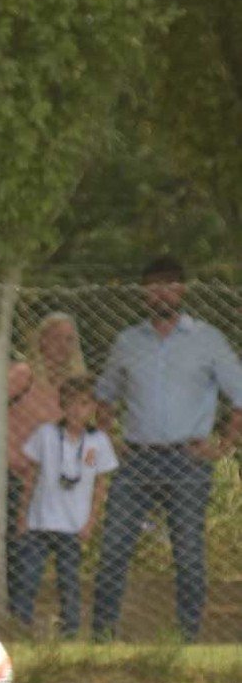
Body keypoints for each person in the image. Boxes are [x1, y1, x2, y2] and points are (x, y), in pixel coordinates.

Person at [92, 257, 242, 643]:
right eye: (153, 286)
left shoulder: (208, 340)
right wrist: (112, 440)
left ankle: (185, 640)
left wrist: (223, 445)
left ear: (182, 290)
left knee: (189, 555)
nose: (161, 293)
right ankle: (101, 638)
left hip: (188, 461)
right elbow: (104, 399)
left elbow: (239, 397)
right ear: (143, 292)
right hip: (136, 460)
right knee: (113, 550)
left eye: (169, 285)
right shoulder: (127, 342)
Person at [12, 377, 116, 637]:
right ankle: (19, 627)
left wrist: (91, 521)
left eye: (83, 404)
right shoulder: (46, 434)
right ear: (62, 405)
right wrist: (22, 515)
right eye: (70, 404)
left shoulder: (99, 441)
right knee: (28, 577)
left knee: (69, 580)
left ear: (92, 407)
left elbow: (101, 485)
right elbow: (30, 475)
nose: (76, 411)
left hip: (73, 524)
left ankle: (69, 631)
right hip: (40, 521)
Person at [6, 313, 87, 621]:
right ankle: (14, 617)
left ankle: (38, 619)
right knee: (13, 548)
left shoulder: (73, 387)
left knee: (42, 555)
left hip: (52, 485)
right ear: (40, 341)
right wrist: (11, 456)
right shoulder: (23, 376)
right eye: (54, 337)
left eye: (68, 339)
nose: (61, 345)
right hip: (13, 474)